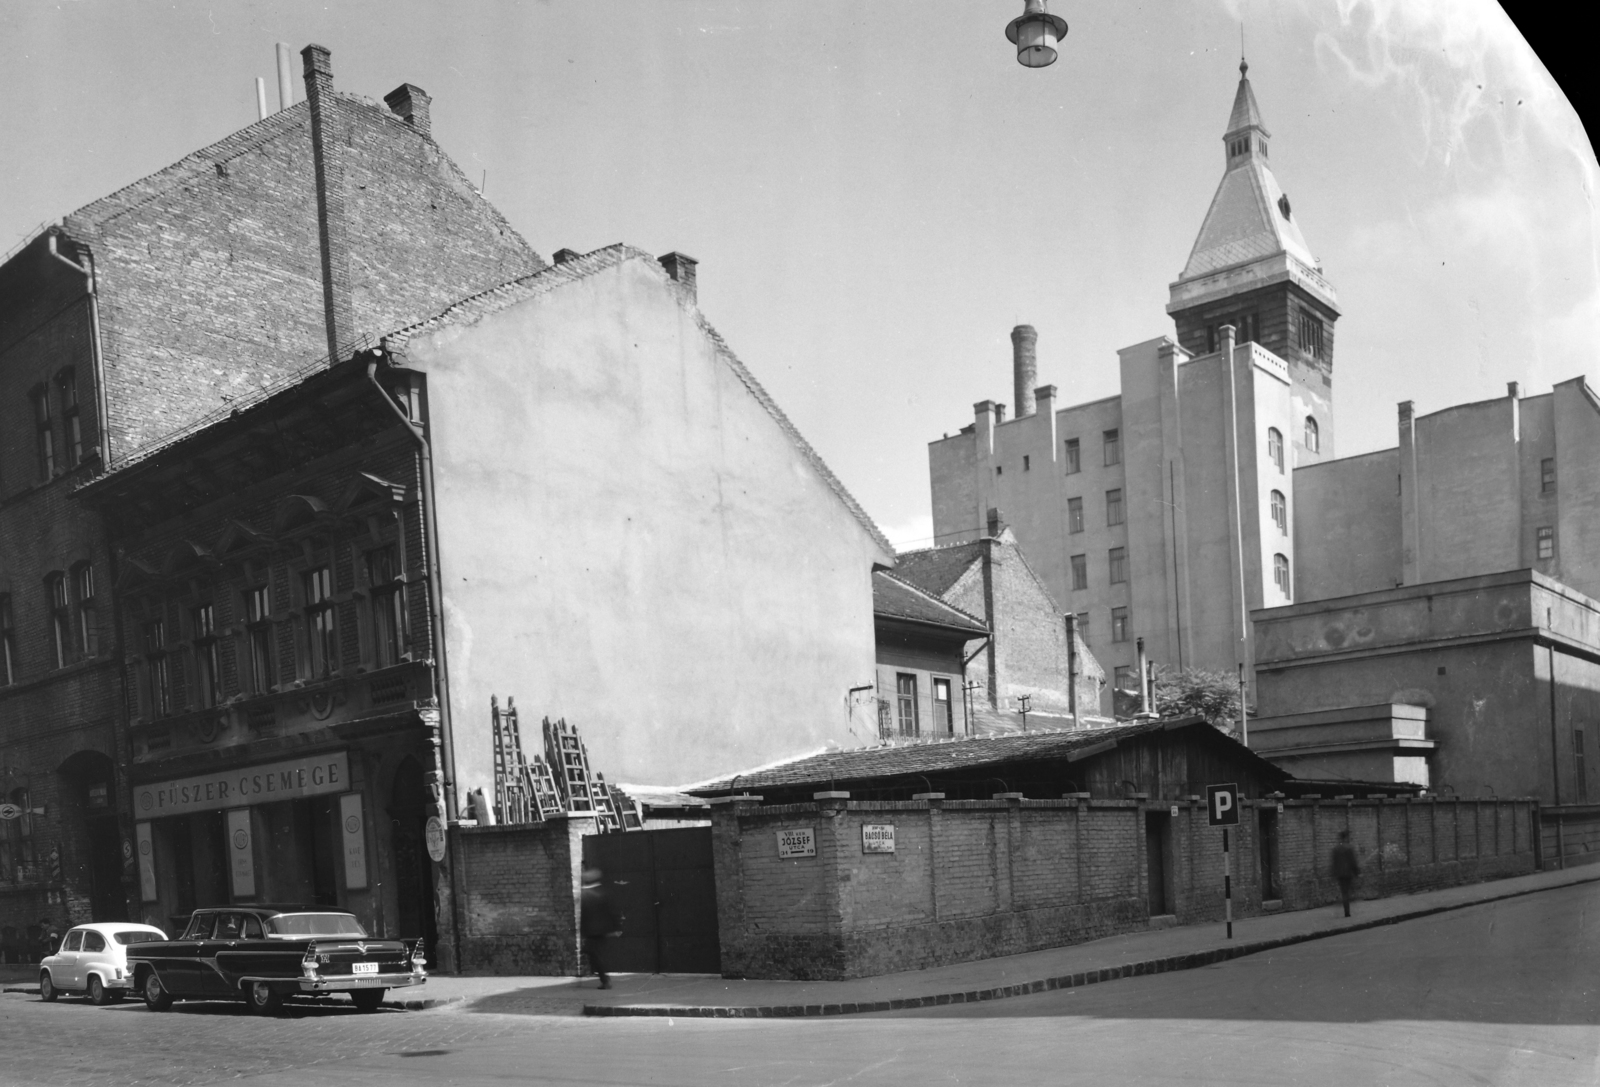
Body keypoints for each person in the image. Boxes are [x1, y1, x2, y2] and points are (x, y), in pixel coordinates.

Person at [580, 867, 620, 989]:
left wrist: (582, 931)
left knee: (594, 954)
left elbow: (583, 915)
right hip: (602, 930)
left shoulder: (584, 894)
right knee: (594, 953)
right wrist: (616, 927)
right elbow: (612, 911)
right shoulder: (603, 892)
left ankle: (605, 980)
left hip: (592, 931)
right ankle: (605, 979)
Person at [1331, 830, 1361, 917]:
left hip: (1340, 874)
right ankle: (1347, 912)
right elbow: (1353, 861)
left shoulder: (1335, 849)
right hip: (1348, 873)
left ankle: (1344, 905)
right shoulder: (1349, 848)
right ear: (1346, 837)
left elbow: (1334, 863)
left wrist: (1334, 873)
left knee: (1344, 892)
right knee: (1346, 892)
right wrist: (1356, 872)